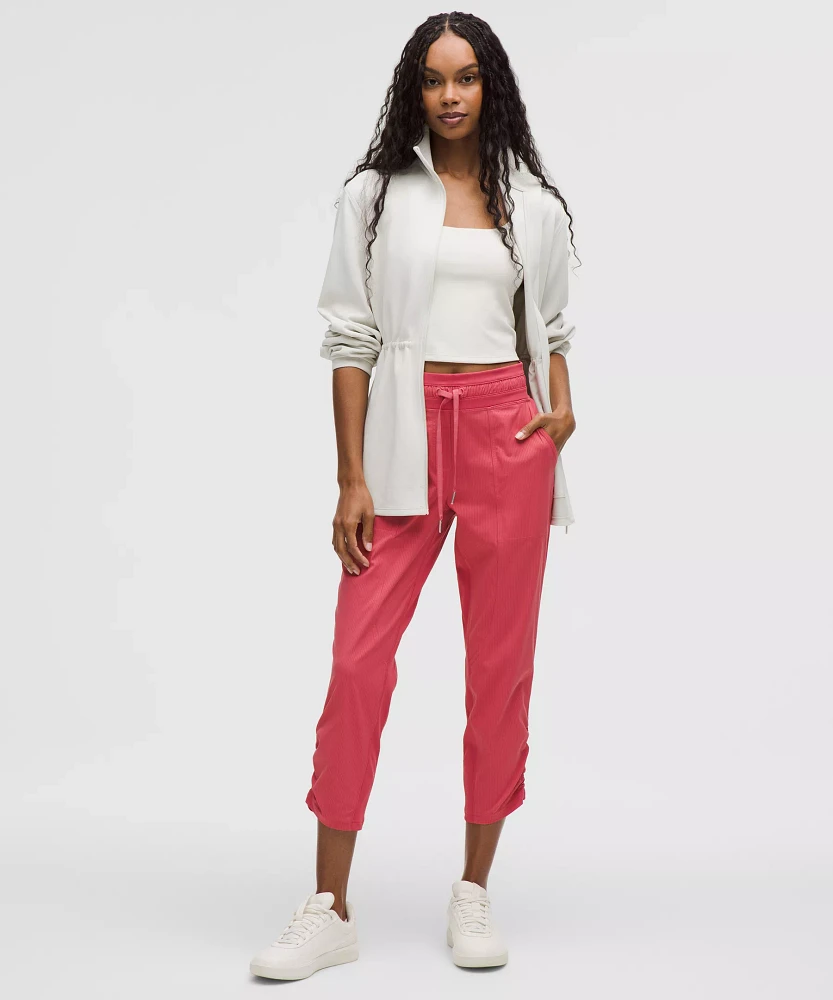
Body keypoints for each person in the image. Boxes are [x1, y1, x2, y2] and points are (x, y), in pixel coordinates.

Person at [249, 11, 578, 981]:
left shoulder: (532, 204)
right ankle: (329, 907)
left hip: (504, 430)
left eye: (465, 78)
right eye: (433, 79)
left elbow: (552, 328)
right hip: (401, 432)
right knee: (357, 661)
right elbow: (349, 340)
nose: (449, 95)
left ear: (489, 86)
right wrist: (349, 477)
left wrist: (559, 412)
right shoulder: (372, 197)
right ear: (412, 89)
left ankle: (473, 887)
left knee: (498, 669)